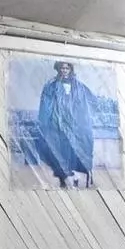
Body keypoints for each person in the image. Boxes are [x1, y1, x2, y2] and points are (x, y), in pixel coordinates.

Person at [38, 61, 97, 189]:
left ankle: (78, 177)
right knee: (61, 151)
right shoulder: (52, 86)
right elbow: (46, 104)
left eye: (67, 68)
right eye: (62, 68)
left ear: (70, 69)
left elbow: (90, 101)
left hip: (74, 125)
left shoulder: (79, 87)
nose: (64, 70)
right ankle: (64, 178)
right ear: (59, 70)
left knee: (76, 150)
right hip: (59, 124)